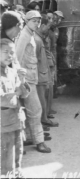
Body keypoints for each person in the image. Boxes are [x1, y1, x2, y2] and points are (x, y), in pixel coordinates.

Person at [16, 11, 51, 153]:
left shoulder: (29, 34)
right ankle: (39, 141)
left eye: (38, 21)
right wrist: (20, 79)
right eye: (34, 21)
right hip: (26, 79)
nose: (37, 23)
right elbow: (17, 57)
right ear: (26, 21)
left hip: (30, 77)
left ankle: (30, 137)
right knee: (36, 110)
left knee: (30, 110)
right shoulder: (25, 35)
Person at [1, 39, 30, 178]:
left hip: (17, 121)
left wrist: (22, 80)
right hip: (4, 123)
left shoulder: (12, 72)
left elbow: (24, 94)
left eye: (12, 52)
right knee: (6, 155)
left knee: (18, 150)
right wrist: (15, 94)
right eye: (5, 52)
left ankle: (17, 172)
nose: (9, 55)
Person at [34, 14, 58, 129]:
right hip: (39, 73)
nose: (48, 28)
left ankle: (44, 119)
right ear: (42, 25)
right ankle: (41, 122)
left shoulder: (40, 37)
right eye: (47, 26)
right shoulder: (37, 39)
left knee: (43, 96)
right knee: (40, 98)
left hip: (43, 71)